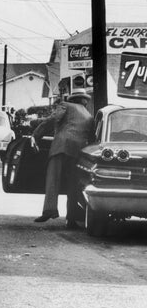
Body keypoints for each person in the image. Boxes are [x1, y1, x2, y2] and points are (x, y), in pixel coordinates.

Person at [31, 88, 94, 228]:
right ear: (84, 100)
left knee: (53, 179)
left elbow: (52, 120)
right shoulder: (89, 115)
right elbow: (91, 137)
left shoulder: (65, 105)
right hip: (78, 151)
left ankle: (49, 210)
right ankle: (71, 219)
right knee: (73, 185)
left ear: (72, 98)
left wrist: (36, 135)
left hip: (61, 147)